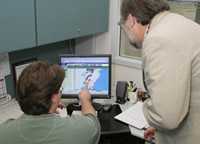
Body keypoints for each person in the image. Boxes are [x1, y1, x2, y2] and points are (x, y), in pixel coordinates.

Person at [120, 0, 200, 144]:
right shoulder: (176, 23)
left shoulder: (159, 38)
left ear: (131, 20)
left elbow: (167, 117)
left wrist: (148, 109)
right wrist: (160, 129)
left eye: (123, 25)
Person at [0, 61, 100, 144]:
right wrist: (85, 100)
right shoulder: (81, 130)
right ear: (54, 97)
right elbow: (93, 122)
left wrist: (46, 109)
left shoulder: (3, 132)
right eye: (59, 90)